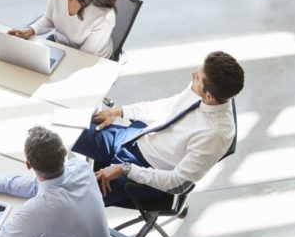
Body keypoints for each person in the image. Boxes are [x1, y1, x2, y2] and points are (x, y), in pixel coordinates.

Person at [72, 51, 244, 206]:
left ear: (209, 96)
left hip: (143, 173)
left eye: (198, 77)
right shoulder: (201, 89)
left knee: (70, 199)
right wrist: (120, 111)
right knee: (65, 128)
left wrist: (124, 169)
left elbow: (177, 183)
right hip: (134, 138)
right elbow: (168, 106)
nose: (193, 75)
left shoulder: (215, 135)